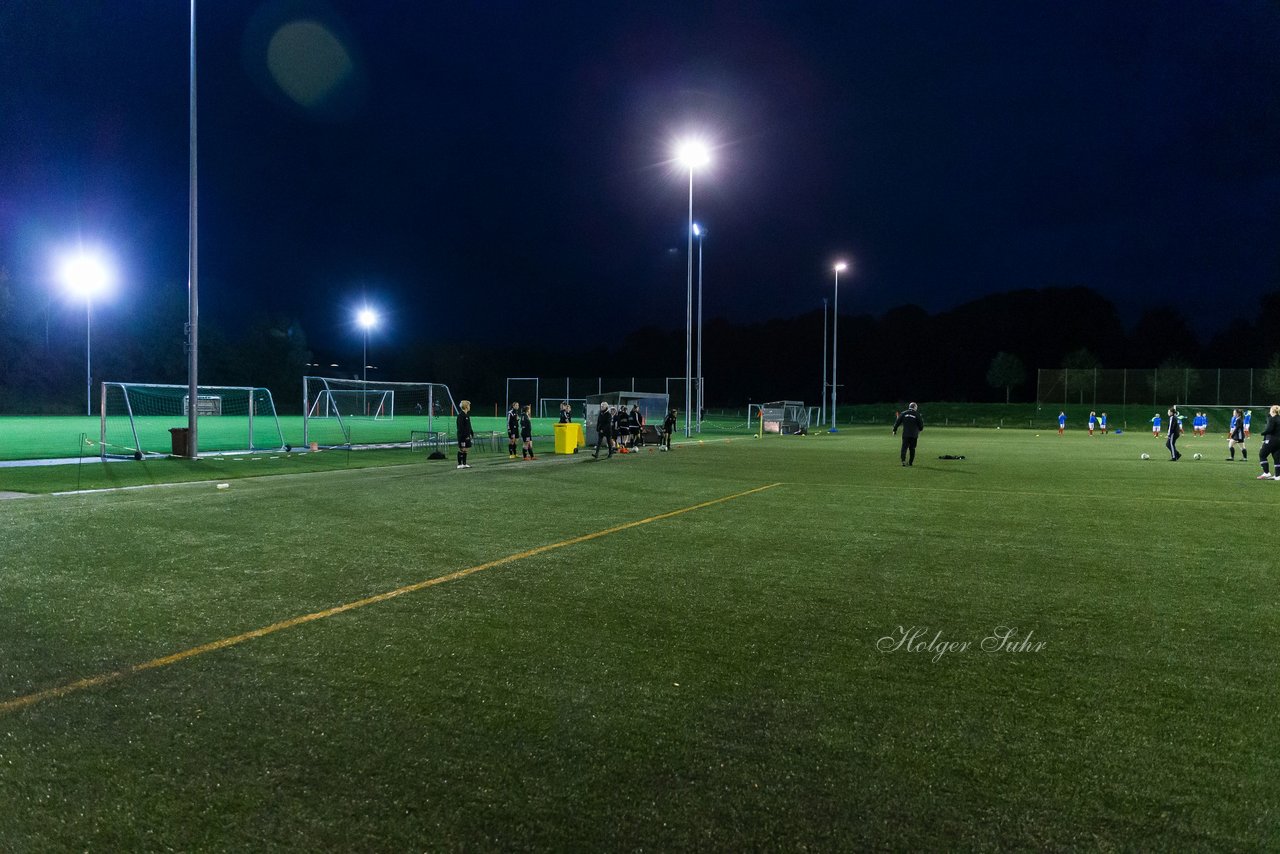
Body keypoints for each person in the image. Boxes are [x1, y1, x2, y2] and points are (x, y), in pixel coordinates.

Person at [892, 402, 925, 467]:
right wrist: (919, 430)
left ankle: (903, 461)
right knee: (912, 448)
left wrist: (894, 430)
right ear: (915, 407)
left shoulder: (903, 413)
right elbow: (921, 426)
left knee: (904, 448)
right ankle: (910, 462)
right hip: (914, 435)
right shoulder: (917, 415)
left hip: (905, 434)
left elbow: (897, 422)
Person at [1256, 404, 1280, 479]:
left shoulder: (1272, 419)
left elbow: (1269, 429)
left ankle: (1266, 473)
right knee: (1277, 458)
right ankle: (1278, 476)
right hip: (1279, 441)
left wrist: (1262, 433)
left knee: (1262, 455)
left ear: (1272, 411)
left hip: (1271, 440)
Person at [455, 400, 473, 469]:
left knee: (465, 449)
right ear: (466, 406)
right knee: (462, 449)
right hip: (462, 436)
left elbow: (468, 426)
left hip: (467, 436)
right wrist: (465, 436)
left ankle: (464, 464)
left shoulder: (467, 415)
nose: (469, 406)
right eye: (468, 405)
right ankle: (459, 464)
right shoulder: (460, 415)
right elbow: (461, 427)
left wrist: (471, 433)